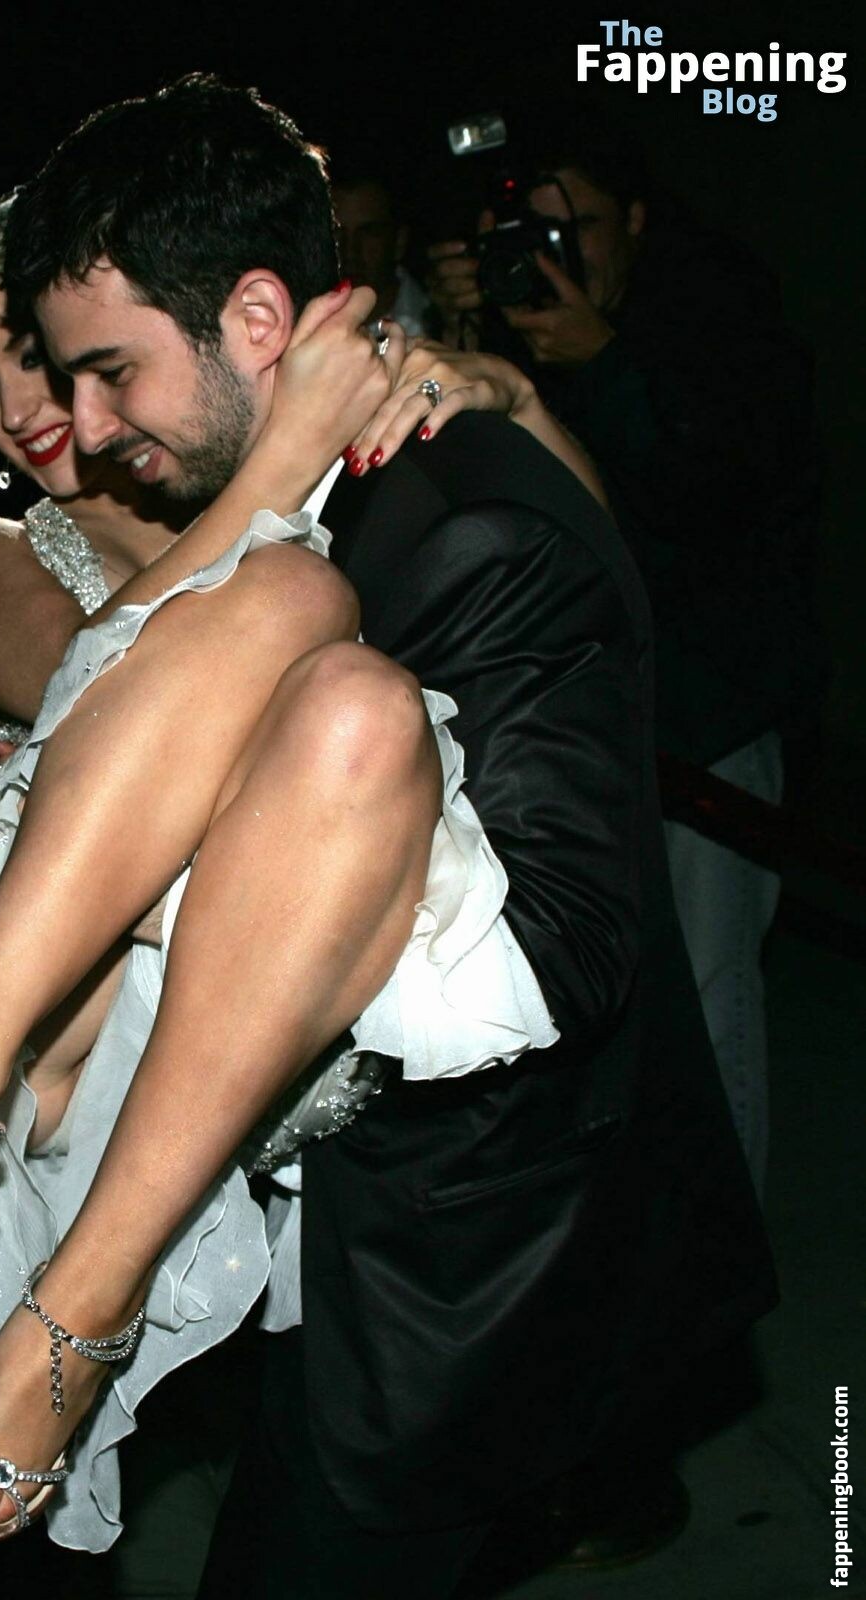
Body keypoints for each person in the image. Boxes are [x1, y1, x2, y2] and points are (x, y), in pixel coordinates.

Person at [0, 177, 625, 1571]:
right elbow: (82, 687)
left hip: (270, 965)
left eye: (47, 359)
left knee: (346, 688)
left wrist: (513, 407)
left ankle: (77, 1315)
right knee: (288, 591)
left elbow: (582, 609)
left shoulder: (253, 465)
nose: (24, 408)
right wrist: (285, 460)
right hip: (43, 948)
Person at [425, 125, 824, 1199]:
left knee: (709, 999)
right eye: (520, 239)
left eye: (574, 230)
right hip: (557, 727)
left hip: (703, 727)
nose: (547, 261)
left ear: (635, 222)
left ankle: (726, 1240)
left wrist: (598, 362)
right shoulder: (497, 341)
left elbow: (723, 496)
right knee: (576, 1010)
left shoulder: (713, 320)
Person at [332, 170, 432, 336]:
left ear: (399, 241)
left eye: (368, 233)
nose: (350, 251)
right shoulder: (294, 324)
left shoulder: (439, 322)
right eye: (335, 233)